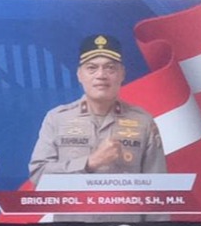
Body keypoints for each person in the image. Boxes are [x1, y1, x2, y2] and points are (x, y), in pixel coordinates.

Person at [27, 31, 166, 178]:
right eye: (92, 68)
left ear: (122, 74)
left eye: (110, 68)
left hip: (124, 202)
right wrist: (90, 163)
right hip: (74, 201)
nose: (101, 75)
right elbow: (38, 174)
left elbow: (158, 184)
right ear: (79, 74)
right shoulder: (57, 119)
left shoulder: (143, 121)